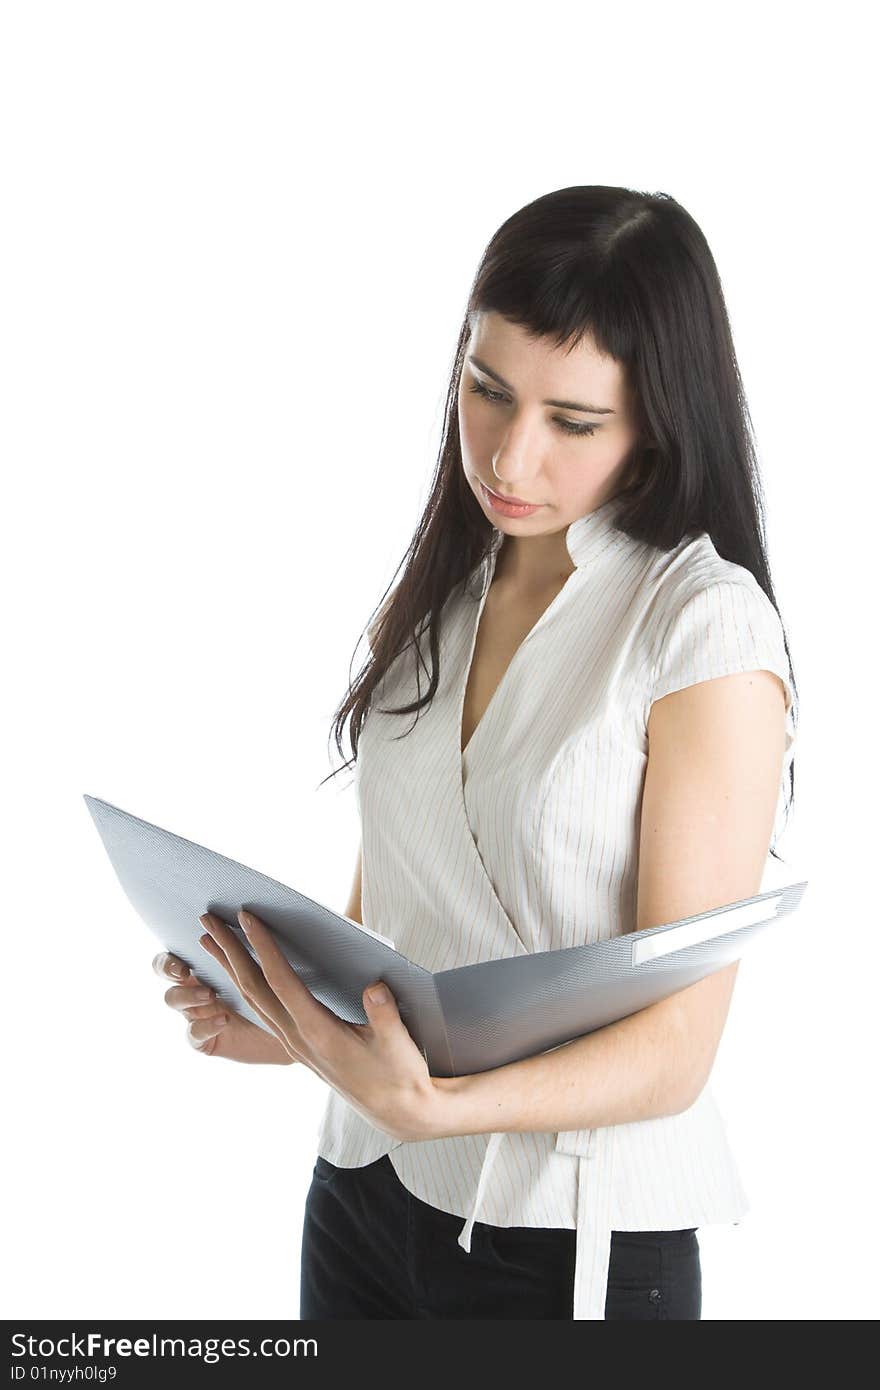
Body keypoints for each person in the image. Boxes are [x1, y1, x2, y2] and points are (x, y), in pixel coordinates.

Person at [154, 184, 798, 1320]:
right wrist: (284, 1020)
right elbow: (392, 944)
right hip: (361, 1190)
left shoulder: (702, 627)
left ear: (656, 420)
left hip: (564, 1237)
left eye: (574, 422)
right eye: (486, 388)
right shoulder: (446, 595)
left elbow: (675, 1050)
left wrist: (434, 1106)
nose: (510, 453)